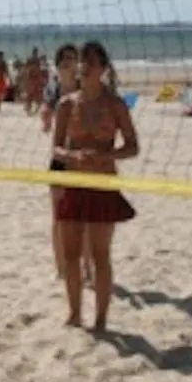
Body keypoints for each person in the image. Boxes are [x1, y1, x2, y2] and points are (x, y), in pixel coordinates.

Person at [52, 41, 139, 333]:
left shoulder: (115, 104)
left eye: (91, 60)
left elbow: (132, 146)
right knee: (71, 255)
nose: (85, 65)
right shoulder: (66, 104)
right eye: (81, 60)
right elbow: (55, 149)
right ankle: (75, 313)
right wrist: (73, 156)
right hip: (74, 181)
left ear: (102, 68)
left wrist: (106, 155)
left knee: (100, 255)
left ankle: (101, 318)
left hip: (102, 183)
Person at [41, 44, 93, 283]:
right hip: (60, 159)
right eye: (62, 58)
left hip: (82, 160)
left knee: (84, 219)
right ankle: (61, 269)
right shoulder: (53, 91)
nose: (66, 61)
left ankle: (87, 268)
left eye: (71, 58)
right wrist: (46, 115)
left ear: (78, 64)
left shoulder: (87, 89)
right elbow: (46, 124)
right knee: (58, 218)